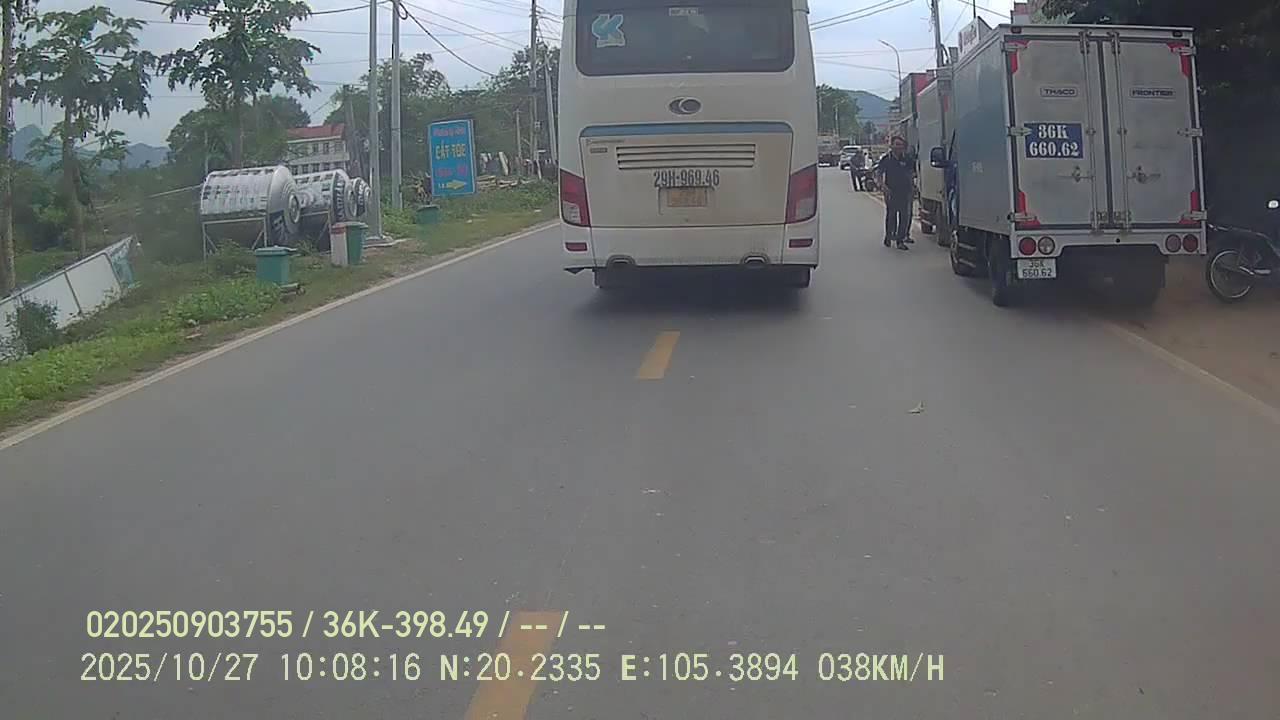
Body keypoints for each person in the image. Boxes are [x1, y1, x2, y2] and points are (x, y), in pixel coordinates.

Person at [875, 136, 916, 250]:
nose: (899, 147)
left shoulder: (907, 158)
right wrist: (883, 186)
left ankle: (900, 240)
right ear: (891, 146)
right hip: (891, 192)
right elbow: (879, 173)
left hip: (905, 191)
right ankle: (888, 236)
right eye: (897, 144)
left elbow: (912, 172)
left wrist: (912, 186)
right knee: (891, 215)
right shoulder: (886, 159)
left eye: (901, 145)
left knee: (904, 216)